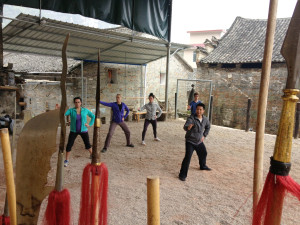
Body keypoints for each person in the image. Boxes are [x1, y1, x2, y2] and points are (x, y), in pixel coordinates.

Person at [179, 103, 211, 181]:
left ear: (203, 111)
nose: (198, 111)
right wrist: (188, 127)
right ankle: (182, 175)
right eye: (197, 109)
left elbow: (208, 127)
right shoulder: (191, 118)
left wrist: (204, 135)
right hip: (190, 141)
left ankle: (202, 166)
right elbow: (185, 127)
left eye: (200, 110)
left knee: (203, 153)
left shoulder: (205, 119)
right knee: (188, 157)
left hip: (199, 141)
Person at [64, 97, 95, 167]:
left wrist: (89, 124)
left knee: (88, 144)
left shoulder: (85, 110)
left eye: (78, 102)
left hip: (83, 130)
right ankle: (66, 160)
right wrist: (62, 110)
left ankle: (93, 156)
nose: (77, 103)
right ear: (74, 103)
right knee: (69, 145)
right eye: (76, 102)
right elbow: (65, 114)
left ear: (81, 103)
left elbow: (93, 116)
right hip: (73, 131)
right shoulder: (71, 110)